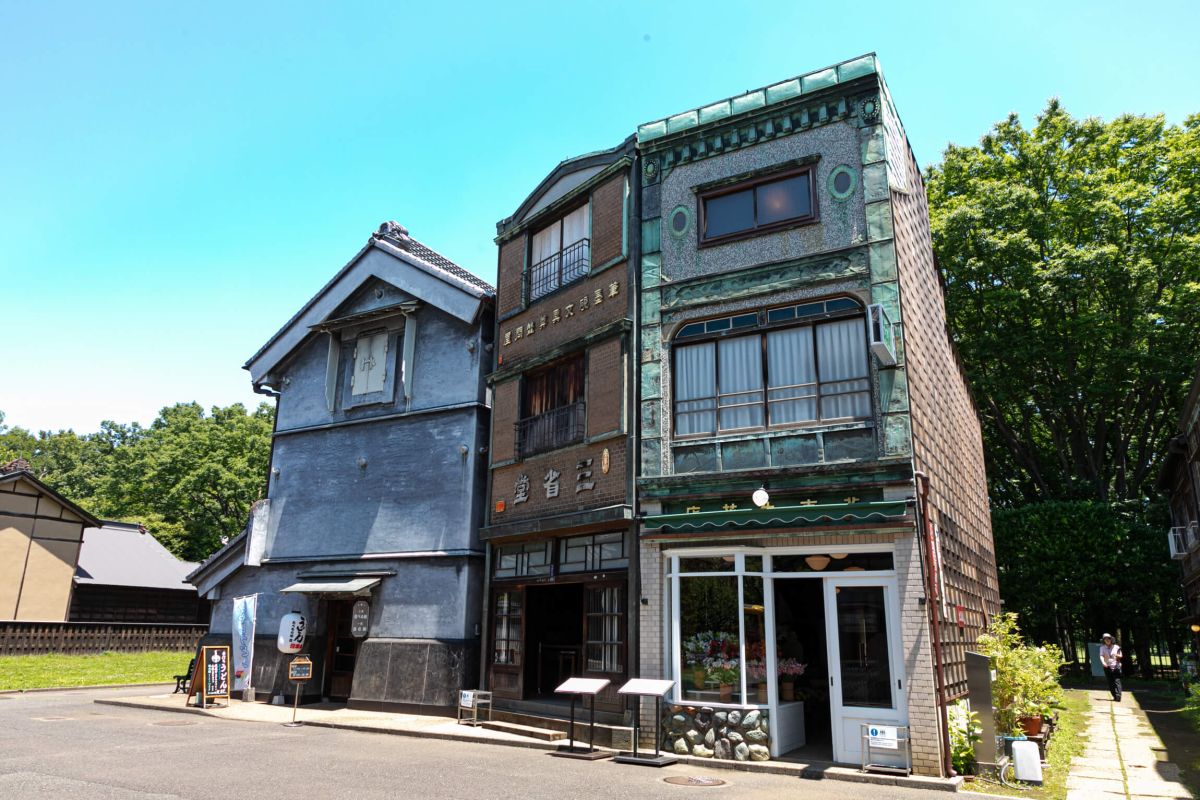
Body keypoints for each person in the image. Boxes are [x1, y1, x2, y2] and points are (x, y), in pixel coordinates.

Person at [1099, 633, 1123, 701]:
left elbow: (1121, 656)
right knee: (1110, 682)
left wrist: (1116, 655)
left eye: (1108, 638)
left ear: (1111, 639)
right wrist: (1103, 662)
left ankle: (1118, 696)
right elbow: (1101, 656)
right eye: (1105, 639)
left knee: (1117, 681)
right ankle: (1114, 695)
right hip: (1107, 667)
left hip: (1116, 666)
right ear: (1104, 640)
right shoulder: (1102, 648)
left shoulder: (1116, 647)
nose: (1107, 640)